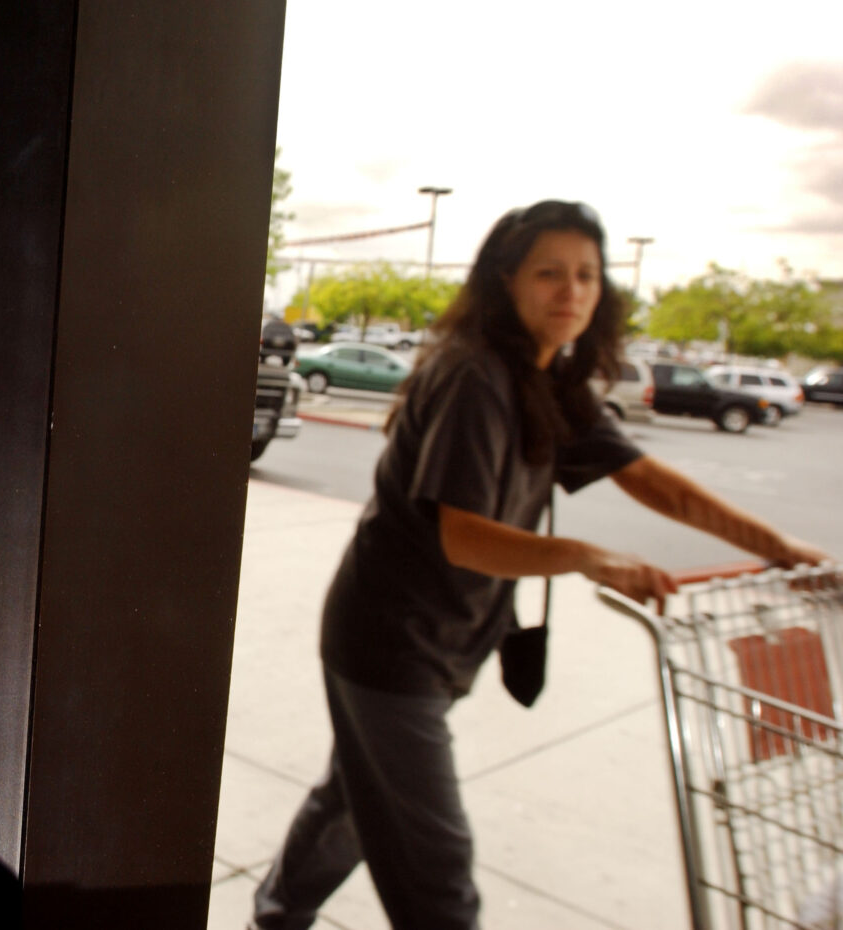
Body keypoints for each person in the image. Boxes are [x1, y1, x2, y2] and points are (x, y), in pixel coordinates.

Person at [248, 200, 831, 930]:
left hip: (440, 640)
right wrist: (588, 556)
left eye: (587, 275)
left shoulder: (548, 377)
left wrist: (778, 546)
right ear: (506, 281)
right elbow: (465, 537)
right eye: (549, 273)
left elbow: (648, 479)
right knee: (438, 875)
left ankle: (272, 920)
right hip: (391, 643)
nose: (572, 291)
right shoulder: (474, 375)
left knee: (351, 805)